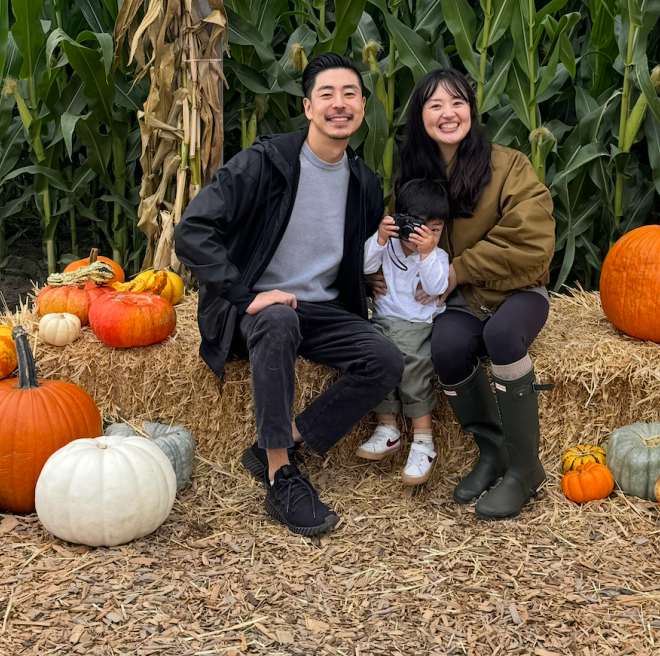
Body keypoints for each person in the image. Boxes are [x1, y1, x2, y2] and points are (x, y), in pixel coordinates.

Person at [173, 53, 404, 538]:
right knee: (278, 318)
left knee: (384, 359)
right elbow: (193, 231)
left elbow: (350, 252)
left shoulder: (364, 182)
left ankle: (272, 442)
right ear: (307, 107)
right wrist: (243, 294)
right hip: (256, 308)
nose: (339, 104)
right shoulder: (267, 162)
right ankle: (281, 474)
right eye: (327, 95)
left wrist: (372, 280)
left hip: (322, 311)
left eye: (349, 95)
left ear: (363, 106)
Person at [382, 67, 556, 521]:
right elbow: (395, 241)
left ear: (472, 111)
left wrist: (458, 270)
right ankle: (492, 450)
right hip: (454, 304)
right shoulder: (413, 177)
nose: (448, 113)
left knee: (501, 337)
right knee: (447, 345)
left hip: (516, 293)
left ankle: (524, 470)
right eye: (435, 104)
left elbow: (532, 242)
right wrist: (377, 273)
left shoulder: (509, 165)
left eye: (457, 102)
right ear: (420, 116)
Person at [356, 178, 451, 486]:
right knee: (375, 362)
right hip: (383, 320)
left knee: (412, 369)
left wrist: (426, 254)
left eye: (435, 231)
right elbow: (365, 266)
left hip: (417, 325)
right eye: (419, 228)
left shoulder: (437, 257)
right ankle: (388, 429)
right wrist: (381, 238)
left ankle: (424, 442)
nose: (426, 237)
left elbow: (437, 288)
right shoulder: (388, 248)